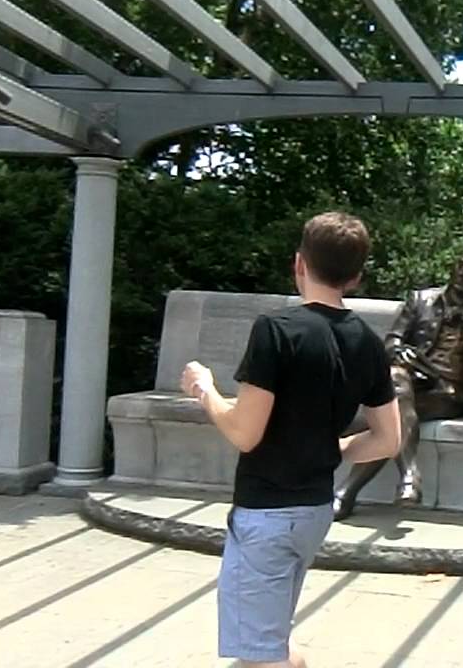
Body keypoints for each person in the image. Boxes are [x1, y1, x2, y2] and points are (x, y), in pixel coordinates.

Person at [180, 212, 401, 668]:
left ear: (299, 263)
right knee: (271, 647)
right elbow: (388, 439)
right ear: (356, 276)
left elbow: (244, 432)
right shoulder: (368, 343)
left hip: (267, 515)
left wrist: (205, 390)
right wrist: (334, 449)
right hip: (313, 512)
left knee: (261, 657)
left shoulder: (276, 331)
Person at [333, 245, 463, 521]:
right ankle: (406, 476)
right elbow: (391, 342)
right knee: (395, 388)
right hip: (410, 383)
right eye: (460, 265)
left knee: (388, 412)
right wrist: (399, 351)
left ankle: (347, 493)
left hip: (454, 394)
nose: (461, 272)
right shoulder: (421, 299)